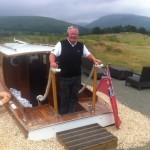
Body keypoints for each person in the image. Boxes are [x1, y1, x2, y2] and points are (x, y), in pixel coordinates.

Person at [49, 25, 102, 114]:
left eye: (75, 34)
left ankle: (72, 113)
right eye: (71, 34)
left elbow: (87, 53)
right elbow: (52, 54)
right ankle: (63, 114)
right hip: (64, 77)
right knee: (65, 96)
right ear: (68, 34)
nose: (73, 35)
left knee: (74, 96)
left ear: (78, 35)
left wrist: (94, 59)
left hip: (77, 77)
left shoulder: (81, 45)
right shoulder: (61, 44)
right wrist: (52, 62)